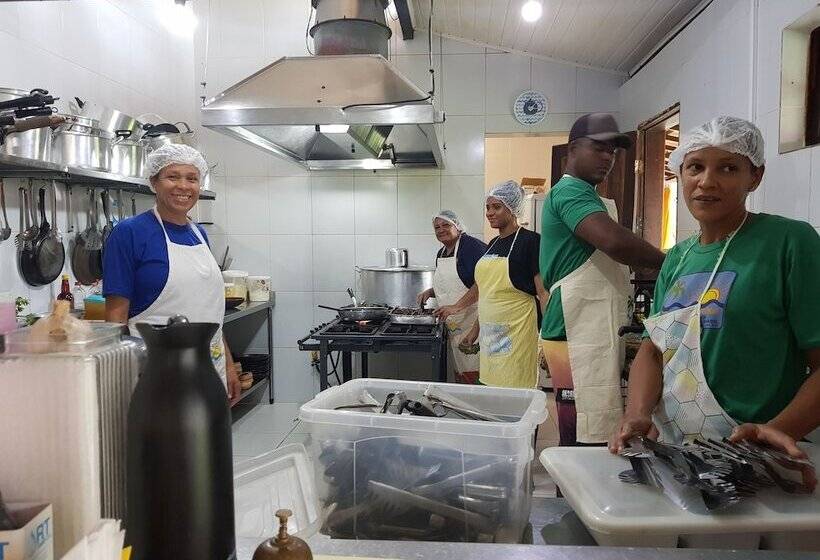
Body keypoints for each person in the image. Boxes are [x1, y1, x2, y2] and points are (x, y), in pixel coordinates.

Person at [609, 116, 820, 472]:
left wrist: (777, 430)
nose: (707, 181)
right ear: (681, 174)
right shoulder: (679, 257)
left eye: (728, 168)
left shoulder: (788, 243)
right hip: (678, 453)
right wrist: (638, 413)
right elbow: (653, 349)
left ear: (755, 176)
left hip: (761, 455)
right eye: (695, 166)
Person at [540, 113, 666, 446]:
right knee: (580, 433)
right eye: (598, 148)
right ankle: (573, 481)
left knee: (594, 427)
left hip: (591, 324)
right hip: (574, 326)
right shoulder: (571, 193)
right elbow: (614, 242)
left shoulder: (591, 197)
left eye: (612, 151)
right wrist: (674, 264)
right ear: (572, 150)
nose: (608, 157)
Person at [103, 144, 241, 403]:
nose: (183, 186)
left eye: (192, 178)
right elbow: (115, 317)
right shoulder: (129, 233)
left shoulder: (199, 233)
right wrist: (117, 382)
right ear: (154, 182)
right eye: (173, 176)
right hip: (154, 371)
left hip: (211, 366)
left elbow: (208, 312)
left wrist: (229, 364)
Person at [437, 181, 547, 389]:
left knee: (515, 390)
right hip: (491, 334)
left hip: (518, 331)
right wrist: (474, 331)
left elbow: (543, 293)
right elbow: (488, 292)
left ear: (512, 209)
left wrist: (547, 339)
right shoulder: (493, 244)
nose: (489, 213)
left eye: (496, 207)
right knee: (493, 388)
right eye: (488, 207)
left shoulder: (531, 241)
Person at [418, 210, 487, 384]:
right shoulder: (441, 253)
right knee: (463, 370)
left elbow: (483, 283)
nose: (441, 230)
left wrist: (456, 307)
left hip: (475, 321)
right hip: (456, 324)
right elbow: (454, 282)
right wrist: (431, 291)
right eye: (437, 227)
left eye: (446, 225)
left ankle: (478, 400)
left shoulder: (471, 247)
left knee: (478, 371)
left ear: (457, 226)